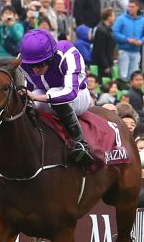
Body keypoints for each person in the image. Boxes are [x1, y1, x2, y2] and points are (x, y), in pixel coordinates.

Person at [18, 29, 94, 166]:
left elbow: (70, 92)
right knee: (28, 103)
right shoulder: (22, 61)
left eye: (40, 64)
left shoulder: (68, 54)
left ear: (51, 57)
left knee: (53, 94)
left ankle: (80, 143)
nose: (35, 70)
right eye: (30, 65)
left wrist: (37, 97)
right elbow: (29, 88)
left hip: (78, 96)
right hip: (44, 94)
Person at [113, 0, 144, 83]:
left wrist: (141, 41)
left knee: (133, 75)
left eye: (132, 7)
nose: (130, 8)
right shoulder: (121, 19)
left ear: (137, 7)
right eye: (129, 6)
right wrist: (127, 39)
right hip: (124, 50)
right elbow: (115, 32)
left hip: (136, 51)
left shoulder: (143, 21)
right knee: (123, 75)